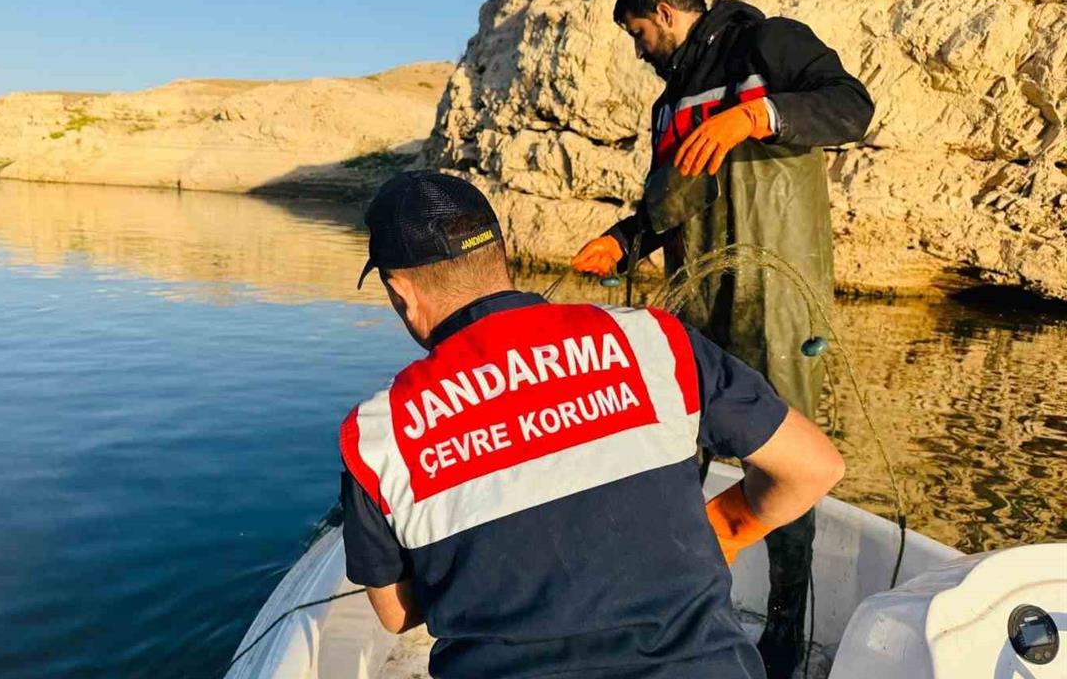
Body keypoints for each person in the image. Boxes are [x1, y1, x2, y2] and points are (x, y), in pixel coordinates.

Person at [339, 170, 844, 679]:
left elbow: (397, 613)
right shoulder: (656, 340)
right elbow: (814, 468)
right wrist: (731, 528)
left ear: (401, 291)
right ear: (501, 254)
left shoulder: (376, 434)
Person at [569, 0, 873, 675]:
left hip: (778, 300)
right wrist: (624, 238)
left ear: (667, 14)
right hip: (699, 303)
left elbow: (851, 108)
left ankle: (784, 639)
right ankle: (685, 605)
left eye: (639, 33)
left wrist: (756, 115)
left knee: (784, 458)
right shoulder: (668, 107)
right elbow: (666, 206)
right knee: (679, 452)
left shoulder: (769, 46)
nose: (640, 49)